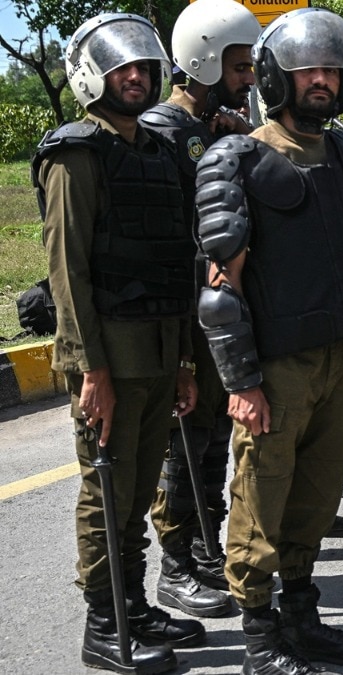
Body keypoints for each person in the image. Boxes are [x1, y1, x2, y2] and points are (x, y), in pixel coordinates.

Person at [192, 8, 343, 672]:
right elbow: (222, 289)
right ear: (279, 76)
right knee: (260, 501)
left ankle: (303, 619)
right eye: (309, 70)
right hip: (276, 369)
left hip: (337, 360)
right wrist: (241, 382)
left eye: (332, 69)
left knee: (316, 497)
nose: (322, 81)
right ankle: (258, 639)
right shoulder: (239, 159)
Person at [34, 12, 205, 673]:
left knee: (136, 492)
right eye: (120, 67)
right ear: (91, 77)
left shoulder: (158, 152)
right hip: (111, 359)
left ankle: (133, 603)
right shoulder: (76, 154)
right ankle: (105, 624)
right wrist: (89, 369)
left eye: (143, 65)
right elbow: (68, 273)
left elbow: (174, 263)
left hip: (162, 352)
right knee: (105, 490)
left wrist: (186, 360)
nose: (135, 75)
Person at [140, 0, 260, 619]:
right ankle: (176, 563)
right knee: (183, 441)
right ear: (202, 62)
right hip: (183, 317)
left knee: (212, 437)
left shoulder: (214, 126)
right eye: (238, 67)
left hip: (216, 313)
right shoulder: (165, 132)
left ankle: (206, 542)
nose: (248, 79)